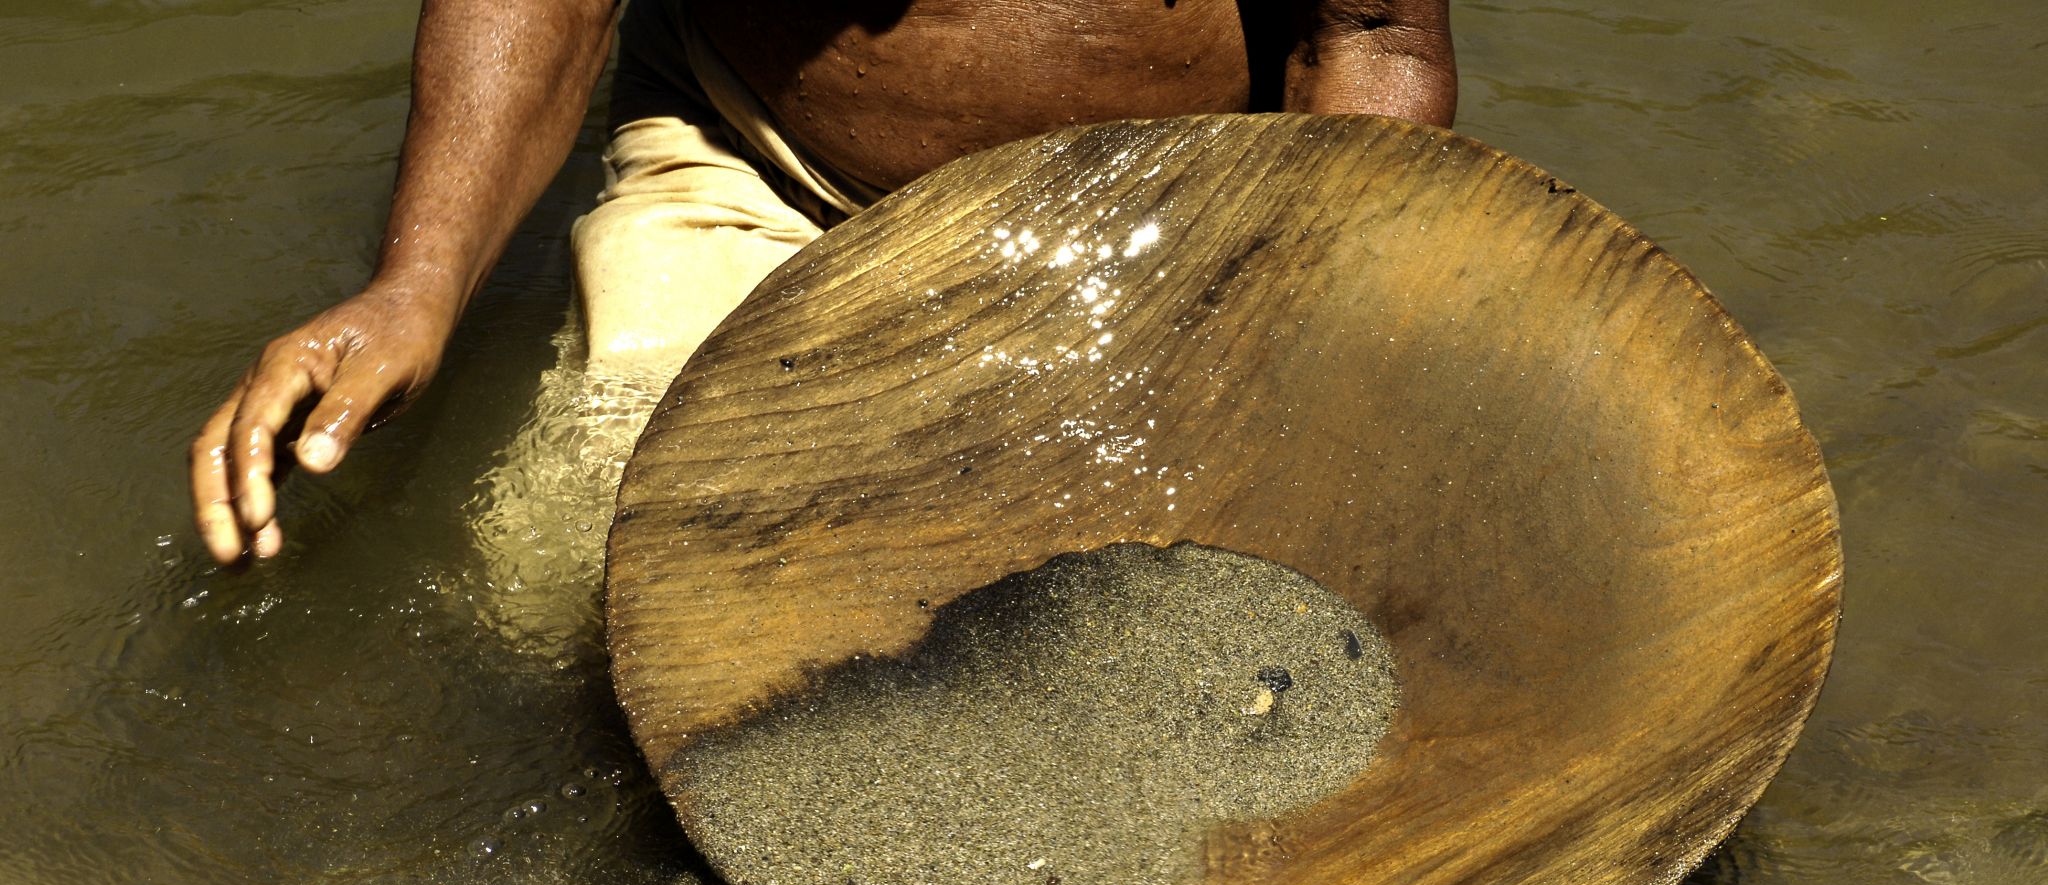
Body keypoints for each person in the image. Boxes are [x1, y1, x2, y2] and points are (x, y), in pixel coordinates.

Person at [188, 0, 1456, 564]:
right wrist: (416, 282)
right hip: (758, 164)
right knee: (576, 576)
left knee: (1261, 570)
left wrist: (1289, 316)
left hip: (1170, 204)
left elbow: (1369, 36)